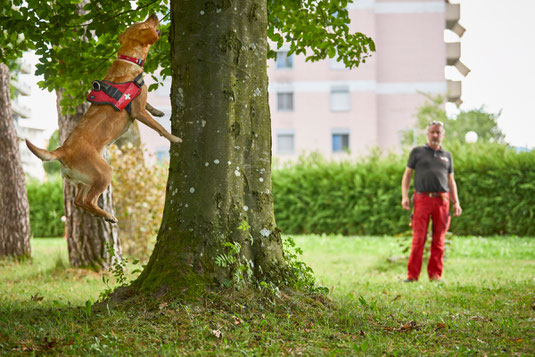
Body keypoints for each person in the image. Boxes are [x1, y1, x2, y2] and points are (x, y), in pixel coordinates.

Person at [401, 121, 462, 282]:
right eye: (432, 132)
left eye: (438, 132)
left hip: (442, 201)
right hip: (421, 199)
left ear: (443, 135)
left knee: (439, 239)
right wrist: (405, 196)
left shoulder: (447, 156)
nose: (435, 135)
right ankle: (412, 276)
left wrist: (456, 202)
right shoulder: (417, 152)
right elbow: (407, 175)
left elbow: (451, 180)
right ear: (427, 134)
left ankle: (435, 276)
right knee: (418, 238)